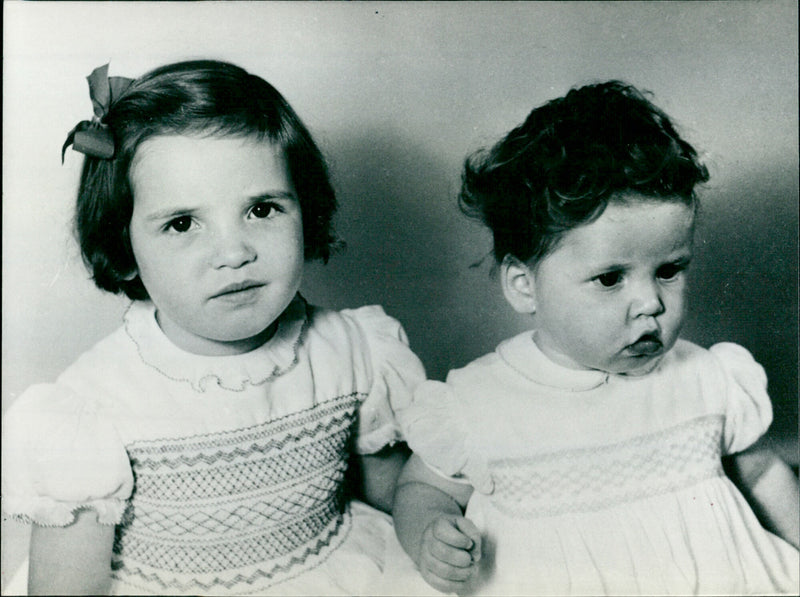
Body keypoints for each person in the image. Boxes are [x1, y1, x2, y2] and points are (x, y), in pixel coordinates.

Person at [2, 60, 426, 596]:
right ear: (123, 247)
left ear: (306, 211)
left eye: (262, 209)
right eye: (182, 223)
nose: (234, 253)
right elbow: (65, 589)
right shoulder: (94, 408)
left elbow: (396, 489)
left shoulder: (352, 348)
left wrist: (431, 520)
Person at [392, 80, 800, 596]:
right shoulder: (479, 402)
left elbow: (762, 472)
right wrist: (429, 533)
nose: (651, 302)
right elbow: (422, 488)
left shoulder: (706, 377)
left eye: (670, 269)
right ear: (524, 286)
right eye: (610, 279)